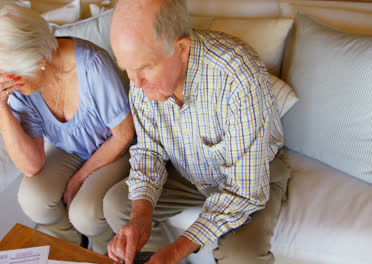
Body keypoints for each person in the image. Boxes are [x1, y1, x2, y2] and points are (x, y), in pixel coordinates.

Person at [104, 0, 290, 263]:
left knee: (241, 256)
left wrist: (176, 251)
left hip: (254, 174)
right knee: (117, 205)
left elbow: (244, 190)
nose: (135, 83)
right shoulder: (141, 82)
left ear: (181, 49)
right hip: (188, 170)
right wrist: (140, 217)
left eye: (144, 68)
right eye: (127, 69)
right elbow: (149, 151)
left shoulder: (237, 76)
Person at [0, 3, 135, 254]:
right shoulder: (19, 87)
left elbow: (124, 134)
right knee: (34, 197)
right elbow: (31, 165)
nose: (7, 85)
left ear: (36, 57)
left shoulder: (93, 66)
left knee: (85, 213)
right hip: (73, 149)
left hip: (116, 147)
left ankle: (104, 251)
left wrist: (79, 177)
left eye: (10, 75)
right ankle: (72, 244)